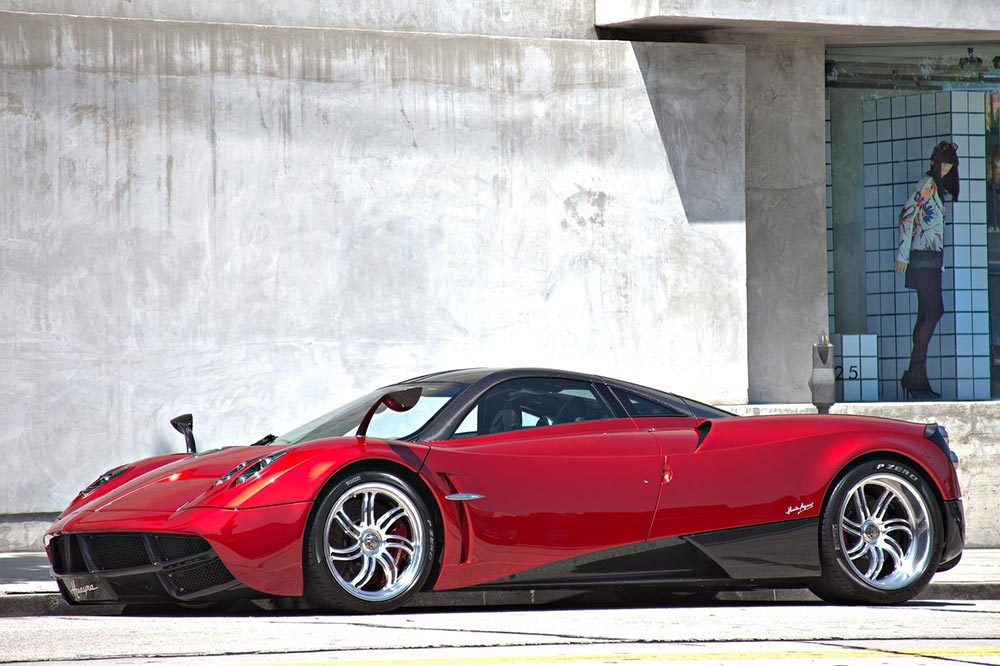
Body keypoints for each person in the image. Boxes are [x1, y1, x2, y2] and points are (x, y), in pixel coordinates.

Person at [893, 140, 959, 400]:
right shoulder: (927, 183)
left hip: (931, 258)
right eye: (943, 164)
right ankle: (914, 373)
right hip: (921, 258)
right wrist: (902, 255)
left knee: (927, 313)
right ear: (935, 162)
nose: (945, 169)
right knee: (933, 311)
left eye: (949, 165)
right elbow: (907, 215)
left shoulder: (938, 187)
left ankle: (916, 375)